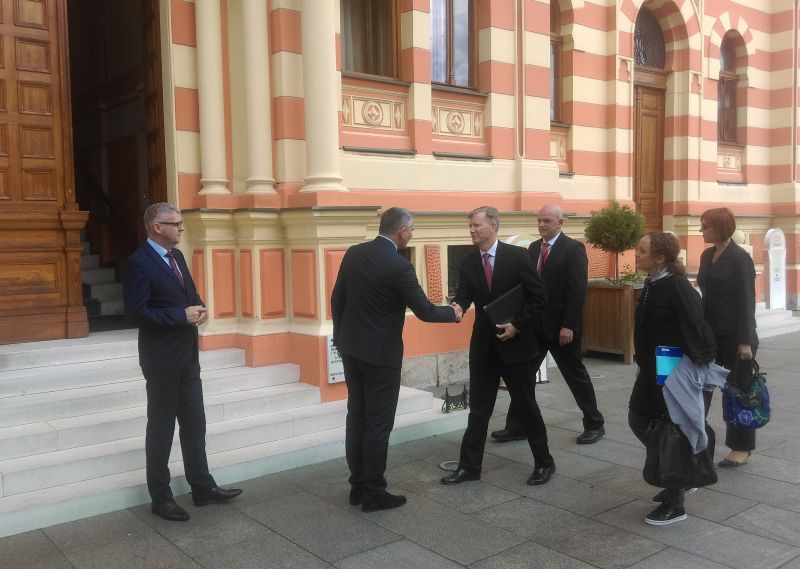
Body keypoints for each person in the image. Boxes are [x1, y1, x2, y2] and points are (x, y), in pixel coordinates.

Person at [331, 207, 461, 513]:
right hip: (381, 356)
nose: (412, 235)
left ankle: (357, 486)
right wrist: (453, 314)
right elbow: (425, 311)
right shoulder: (400, 266)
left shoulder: (354, 253)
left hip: (351, 350)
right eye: (412, 230)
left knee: (357, 417)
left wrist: (341, 338)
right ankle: (374, 493)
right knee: (378, 423)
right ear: (402, 231)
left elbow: (337, 299)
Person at [124, 203, 242, 522]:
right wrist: (180, 316)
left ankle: (202, 487)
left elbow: (190, 295)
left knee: (195, 423)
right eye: (175, 223)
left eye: (180, 223)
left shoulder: (176, 256)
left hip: (187, 356)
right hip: (161, 361)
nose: (181, 228)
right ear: (156, 227)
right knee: (161, 429)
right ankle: (161, 498)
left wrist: (199, 308)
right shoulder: (139, 262)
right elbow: (136, 313)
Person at [441, 206, 555, 487]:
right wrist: (457, 307)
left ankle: (544, 463)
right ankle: (469, 467)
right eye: (470, 225)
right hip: (484, 348)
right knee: (479, 410)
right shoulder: (468, 262)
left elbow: (539, 297)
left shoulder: (517, 256)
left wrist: (517, 325)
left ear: (493, 226)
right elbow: (464, 297)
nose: (471, 230)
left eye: (476, 225)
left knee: (526, 407)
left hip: (517, 346)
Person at [491, 204, 605, 444]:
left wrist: (569, 325)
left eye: (547, 221)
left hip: (562, 329)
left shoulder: (573, 249)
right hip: (535, 328)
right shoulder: (533, 249)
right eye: (539, 220)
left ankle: (594, 424)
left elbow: (577, 291)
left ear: (560, 223)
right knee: (523, 377)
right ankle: (518, 426)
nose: (541, 224)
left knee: (575, 376)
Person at [629, 232, 716, 525]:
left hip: (672, 369)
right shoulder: (653, 281)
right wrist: (643, 362)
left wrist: (693, 369)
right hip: (654, 366)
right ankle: (679, 473)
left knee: (670, 430)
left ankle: (675, 500)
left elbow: (697, 327)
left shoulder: (677, 285)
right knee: (639, 418)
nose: (636, 253)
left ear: (659, 257)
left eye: (642, 250)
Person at [697, 207, 758, 467]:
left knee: (738, 392)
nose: (701, 230)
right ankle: (695, 439)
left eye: (706, 226)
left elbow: (747, 301)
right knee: (703, 388)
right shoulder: (706, 255)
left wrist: (745, 341)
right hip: (710, 336)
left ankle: (741, 447)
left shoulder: (740, 258)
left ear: (720, 228)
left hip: (735, 338)